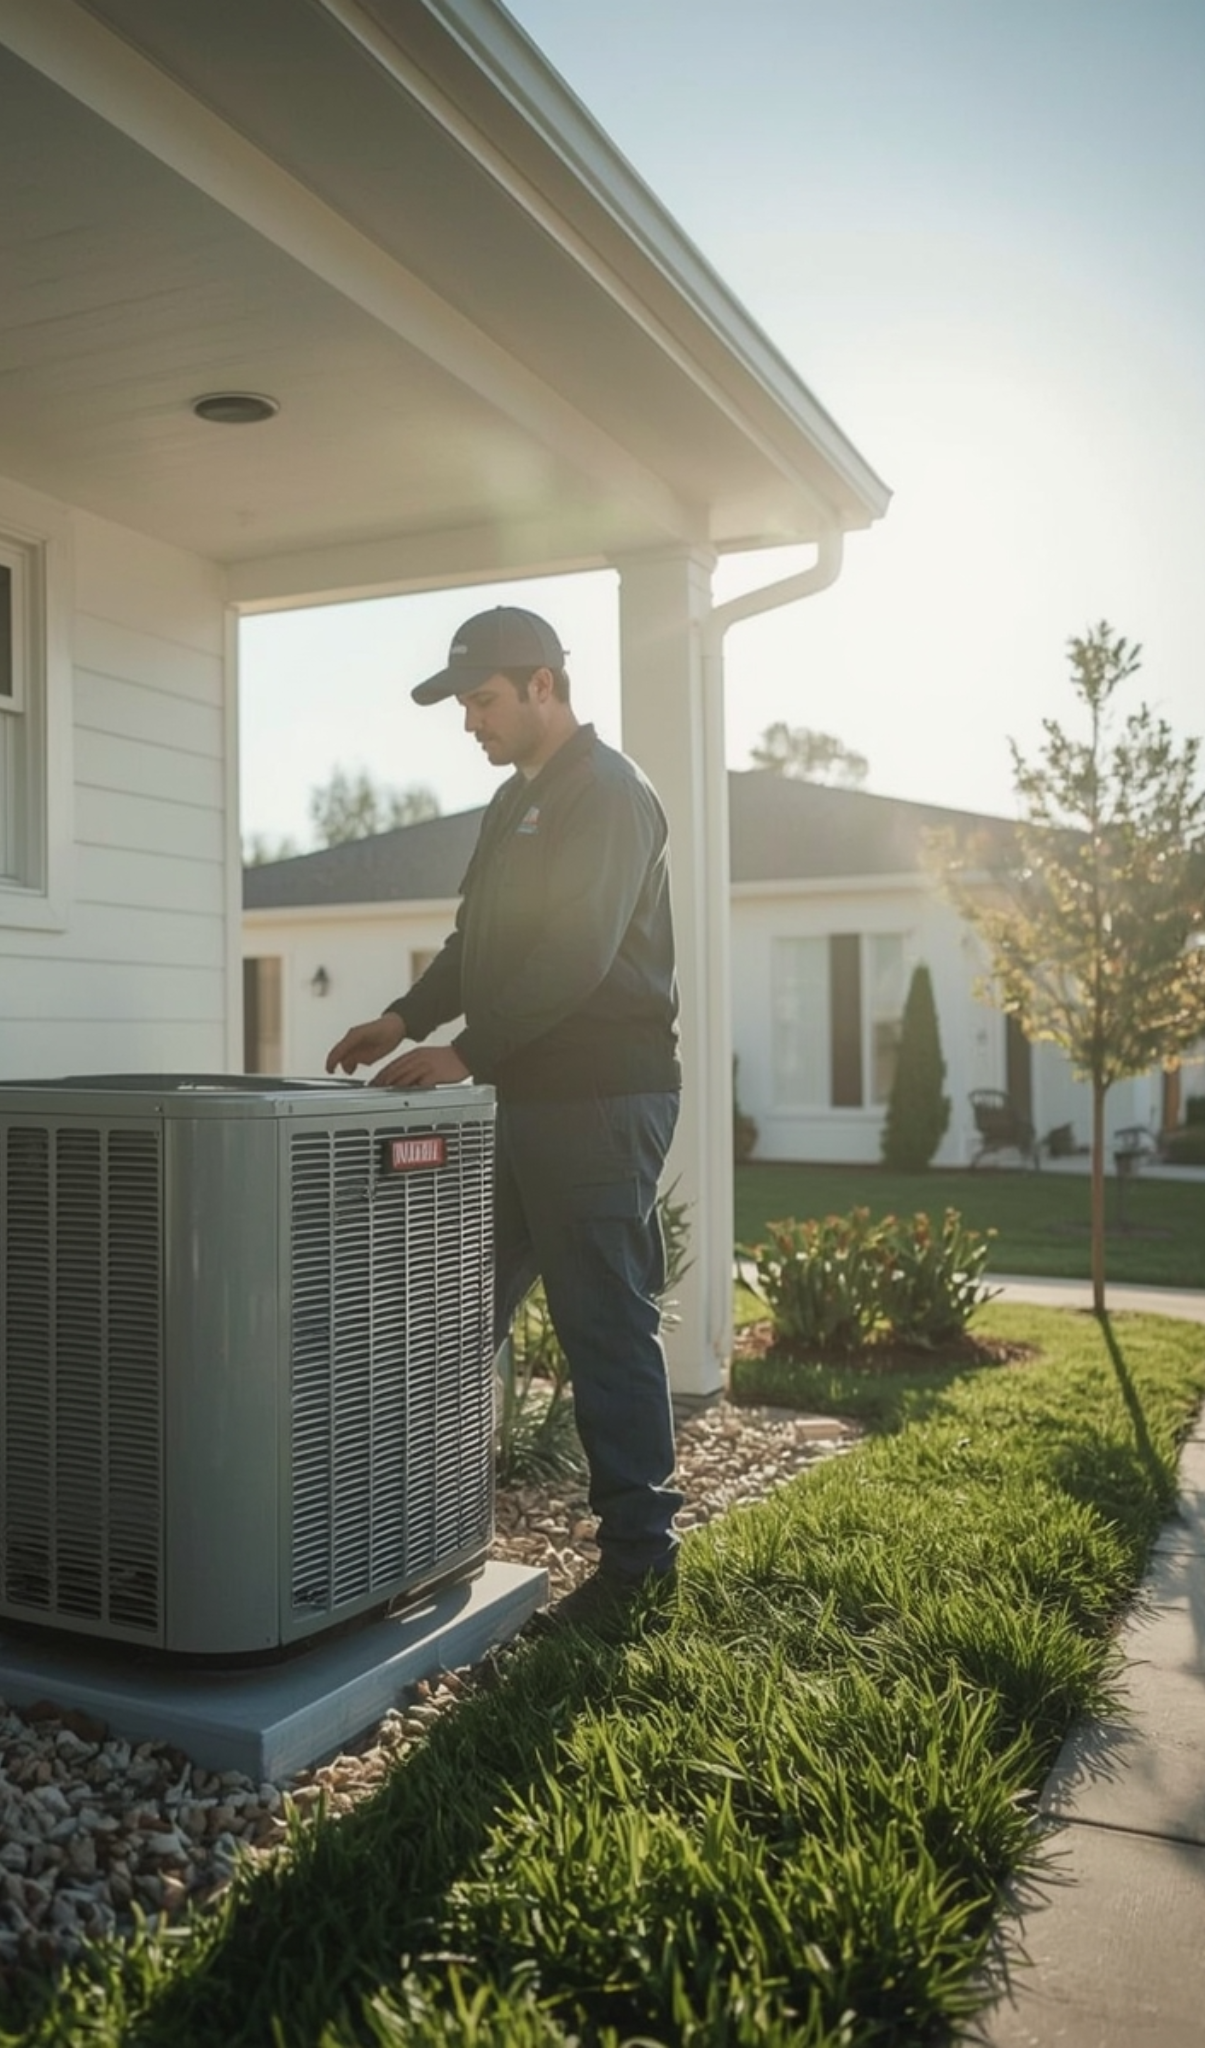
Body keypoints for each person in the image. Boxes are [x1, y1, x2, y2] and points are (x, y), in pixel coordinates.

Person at [325, 605, 684, 1629]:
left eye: (480, 700)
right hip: (521, 1095)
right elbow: (476, 942)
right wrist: (402, 1015)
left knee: (601, 1325)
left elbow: (574, 950)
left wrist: (464, 1050)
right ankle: (414, 1525)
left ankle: (637, 1572)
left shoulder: (610, 795)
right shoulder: (509, 804)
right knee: (450, 1307)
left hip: (599, 1097)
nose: (468, 722)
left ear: (541, 685)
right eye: (461, 704)